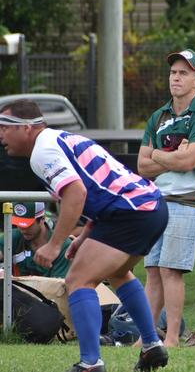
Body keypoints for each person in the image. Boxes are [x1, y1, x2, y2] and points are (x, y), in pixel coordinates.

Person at [0, 99, 169, 372]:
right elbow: (99, 187)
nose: (0, 134)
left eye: (5, 126)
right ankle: (151, 345)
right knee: (118, 274)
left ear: (28, 127)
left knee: (78, 280)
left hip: (129, 212)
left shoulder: (43, 151)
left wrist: (55, 244)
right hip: (149, 206)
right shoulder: (59, 139)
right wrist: (85, 234)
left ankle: (91, 362)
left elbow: (76, 193)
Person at [138, 48, 195, 347]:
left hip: (189, 201)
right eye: (173, 72)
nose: (176, 77)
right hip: (158, 200)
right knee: (153, 271)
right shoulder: (158, 116)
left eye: (183, 72)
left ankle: (172, 337)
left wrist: (159, 155)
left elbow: (189, 163)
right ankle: (147, 337)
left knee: (171, 270)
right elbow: (142, 166)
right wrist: (171, 154)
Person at [0, 202, 71, 278]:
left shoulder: (63, 245)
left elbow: (59, 284)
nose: (23, 230)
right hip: (16, 289)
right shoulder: (12, 237)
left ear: (42, 219)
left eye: (28, 225)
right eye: (19, 224)